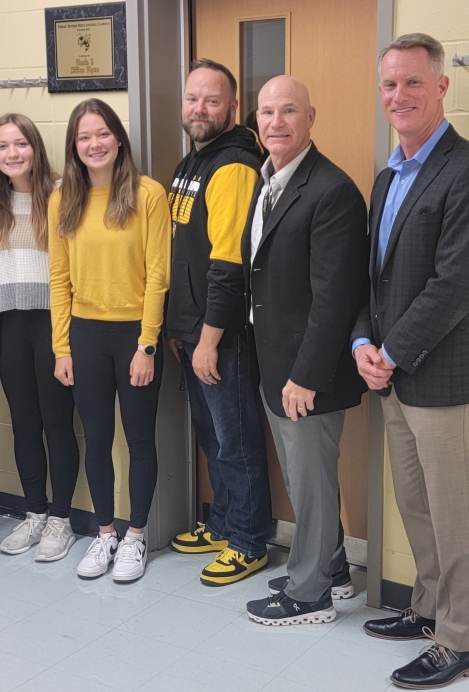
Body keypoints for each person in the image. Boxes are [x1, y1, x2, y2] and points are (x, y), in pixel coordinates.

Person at [352, 34, 469, 689]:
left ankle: (461, 642)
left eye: (413, 83)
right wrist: (362, 342)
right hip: (391, 375)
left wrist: (389, 351)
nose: (399, 96)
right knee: (415, 505)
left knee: (453, 513)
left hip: (440, 376)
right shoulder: (388, 173)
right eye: (389, 85)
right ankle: (426, 610)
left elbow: (456, 283)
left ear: (441, 87)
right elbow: (373, 279)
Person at [241, 76, 368, 625]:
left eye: (288, 110)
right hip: (275, 363)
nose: (276, 122)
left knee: (310, 480)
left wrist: (306, 375)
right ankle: (332, 568)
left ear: (311, 117)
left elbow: (335, 298)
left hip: (306, 372)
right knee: (302, 476)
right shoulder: (266, 180)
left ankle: (309, 595)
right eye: (267, 111)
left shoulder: (331, 189)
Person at [49, 98, 171, 582]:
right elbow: (59, 277)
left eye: (102, 134)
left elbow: (158, 274)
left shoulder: (148, 194)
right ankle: (104, 535)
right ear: (74, 147)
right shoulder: (63, 199)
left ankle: (135, 537)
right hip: (85, 334)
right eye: (84, 137)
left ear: (118, 138)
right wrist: (62, 347)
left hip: (134, 337)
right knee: (97, 438)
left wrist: (147, 345)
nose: (94, 144)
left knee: (139, 439)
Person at [166, 58, 272, 587]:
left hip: (221, 336)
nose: (199, 109)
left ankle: (250, 542)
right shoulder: (194, 161)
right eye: (192, 99)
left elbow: (227, 266)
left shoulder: (232, 165)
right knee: (213, 436)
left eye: (212, 100)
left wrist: (208, 339)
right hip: (191, 333)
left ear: (232, 107)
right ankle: (227, 524)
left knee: (235, 440)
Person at [0, 114, 81, 562]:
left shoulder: (62, 193)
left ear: (35, 148)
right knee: (24, 422)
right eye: (2, 146)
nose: (12, 154)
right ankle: (35, 513)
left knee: (57, 421)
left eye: (20, 144)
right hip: (7, 324)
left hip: (53, 321)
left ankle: (61, 520)